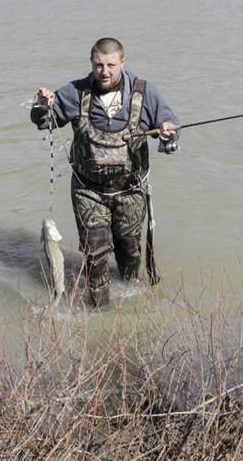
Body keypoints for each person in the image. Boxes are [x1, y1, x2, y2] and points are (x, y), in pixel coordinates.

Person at [31, 37, 179, 307]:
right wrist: (43, 105)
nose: (105, 71)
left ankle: (134, 310)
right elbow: (44, 122)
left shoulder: (144, 92)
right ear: (92, 63)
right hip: (89, 191)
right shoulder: (75, 92)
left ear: (123, 62)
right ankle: (100, 311)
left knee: (130, 255)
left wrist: (169, 133)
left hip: (131, 191)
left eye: (111, 65)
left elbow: (169, 127)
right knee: (95, 255)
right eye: (99, 65)